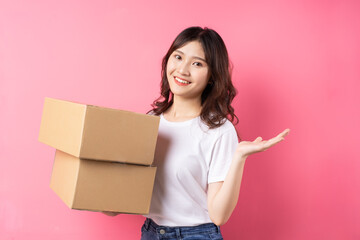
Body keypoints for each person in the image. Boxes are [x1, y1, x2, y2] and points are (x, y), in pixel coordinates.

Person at [105, 26, 289, 240]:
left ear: (211, 76)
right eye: (178, 57)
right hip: (151, 233)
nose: (182, 70)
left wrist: (239, 157)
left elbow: (218, 215)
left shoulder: (218, 130)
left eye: (197, 63)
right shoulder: (149, 121)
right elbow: (116, 205)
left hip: (197, 235)